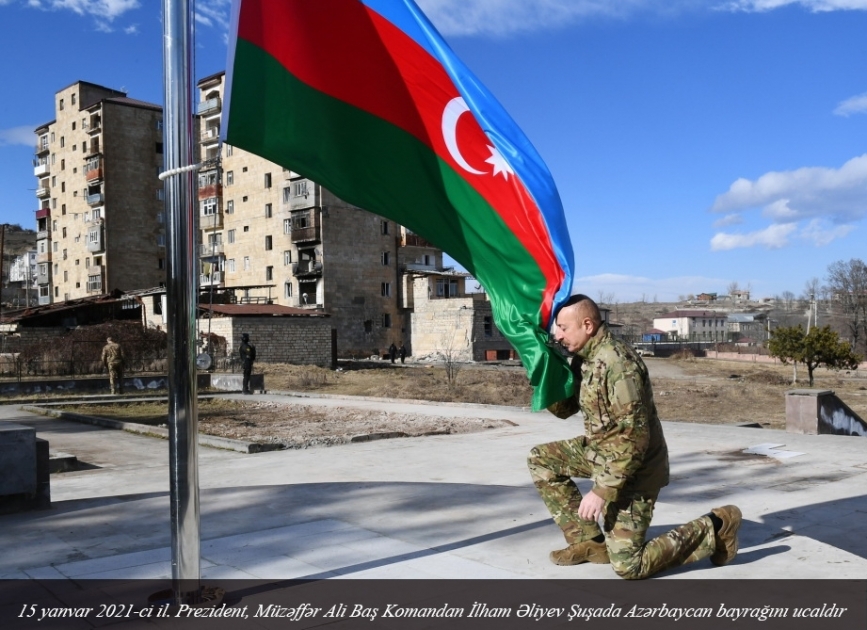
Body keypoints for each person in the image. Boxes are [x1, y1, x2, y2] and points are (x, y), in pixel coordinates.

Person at [528, 294, 741, 580]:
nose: (557, 334)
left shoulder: (618, 363)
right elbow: (566, 409)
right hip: (602, 455)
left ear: (587, 325)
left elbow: (634, 438)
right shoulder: (586, 359)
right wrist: (544, 374)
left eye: (563, 328)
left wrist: (600, 492)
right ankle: (588, 541)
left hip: (636, 469)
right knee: (542, 459)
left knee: (630, 566)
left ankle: (716, 526)